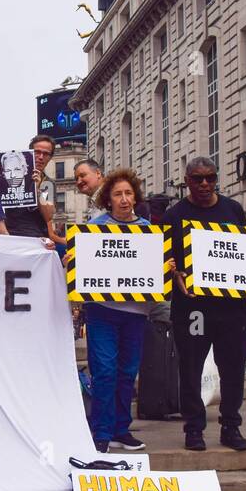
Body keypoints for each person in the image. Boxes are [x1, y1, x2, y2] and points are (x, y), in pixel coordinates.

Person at [163, 156, 246, 452]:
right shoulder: (173, 215)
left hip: (232, 306)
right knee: (190, 368)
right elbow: (164, 260)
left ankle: (231, 426)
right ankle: (194, 429)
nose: (204, 184)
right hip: (193, 308)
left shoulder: (234, 209)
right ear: (186, 181)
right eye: (198, 178)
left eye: (210, 178)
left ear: (216, 179)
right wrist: (174, 273)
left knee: (234, 368)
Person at [78, 168, 152, 452]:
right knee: (105, 370)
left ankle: (122, 429)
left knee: (127, 371)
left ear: (135, 197)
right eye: (118, 194)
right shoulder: (94, 227)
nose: (124, 199)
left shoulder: (148, 229)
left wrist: (164, 268)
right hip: (103, 310)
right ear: (108, 198)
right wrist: (75, 258)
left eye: (128, 193)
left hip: (136, 312)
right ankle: (101, 431)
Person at [0, 135, 65, 246]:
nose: (40, 157)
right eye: (37, 152)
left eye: (46, 154)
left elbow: (48, 215)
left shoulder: (47, 183)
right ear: (30, 153)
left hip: (37, 240)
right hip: (11, 237)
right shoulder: (13, 177)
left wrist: (38, 188)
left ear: (50, 157)